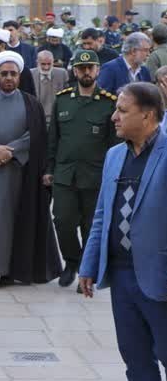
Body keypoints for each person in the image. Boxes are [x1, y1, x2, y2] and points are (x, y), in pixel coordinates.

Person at [78, 82, 167, 380]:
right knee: (135, 358)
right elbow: (102, 215)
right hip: (122, 276)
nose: (114, 116)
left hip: (160, 277)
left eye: (122, 110)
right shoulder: (115, 155)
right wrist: (89, 264)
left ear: (147, 115)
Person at [0, 50, 62, 289]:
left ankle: (9, 270)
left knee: (13, 221)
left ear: (19, 76)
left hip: (18, 173)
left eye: (13, 74)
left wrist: (12, 151)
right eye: (4, 73)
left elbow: (36, 136)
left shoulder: (31, 103)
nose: (8, 78)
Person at [44, 50, 118, 292]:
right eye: (81, 68)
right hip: (65, 174)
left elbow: (114, 145)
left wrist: (112, 176)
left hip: (95, 176)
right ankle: (71, 262)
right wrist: (49, 168)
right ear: (74, 71)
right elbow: (53, 139)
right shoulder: (63, 99)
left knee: (90, 226)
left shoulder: (109, 102)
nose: (86, 72)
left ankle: (86, 271)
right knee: (63, 221)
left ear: (97, 71)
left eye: (90, 68)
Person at [30, 50, 69, 127]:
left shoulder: (62, 74)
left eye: (49, 64)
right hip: (36, 119)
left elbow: (66, 97)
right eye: (43, 64)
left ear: (53, 62)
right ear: (37, 62)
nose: (46, 67)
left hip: (56, 118)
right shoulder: (30, 74)